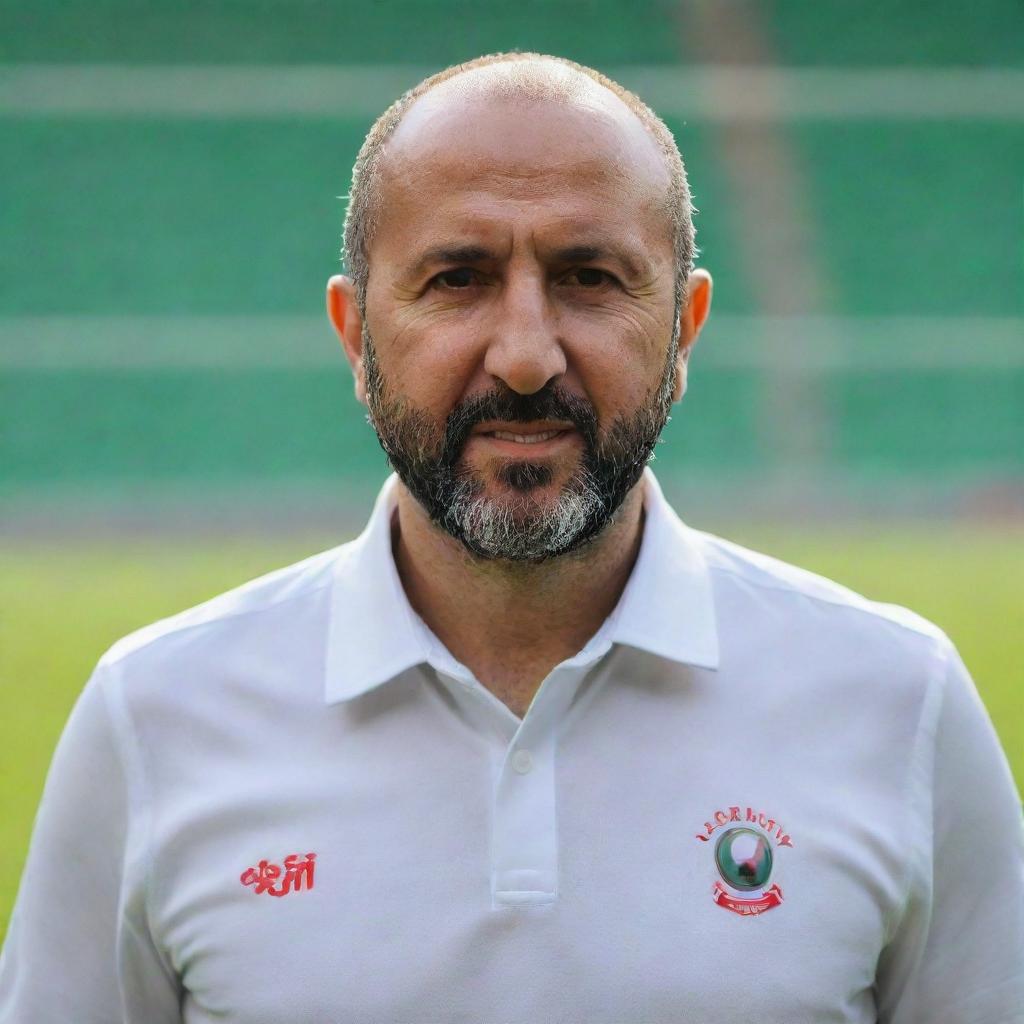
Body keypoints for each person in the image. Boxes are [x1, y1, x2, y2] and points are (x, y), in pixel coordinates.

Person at [1, 51, 1021, 1024]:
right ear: (356, 336)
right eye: (457, 277)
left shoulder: (897, 701)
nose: (527, 355)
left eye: (588, 277)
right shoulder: (156, 714)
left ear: (685, 330)